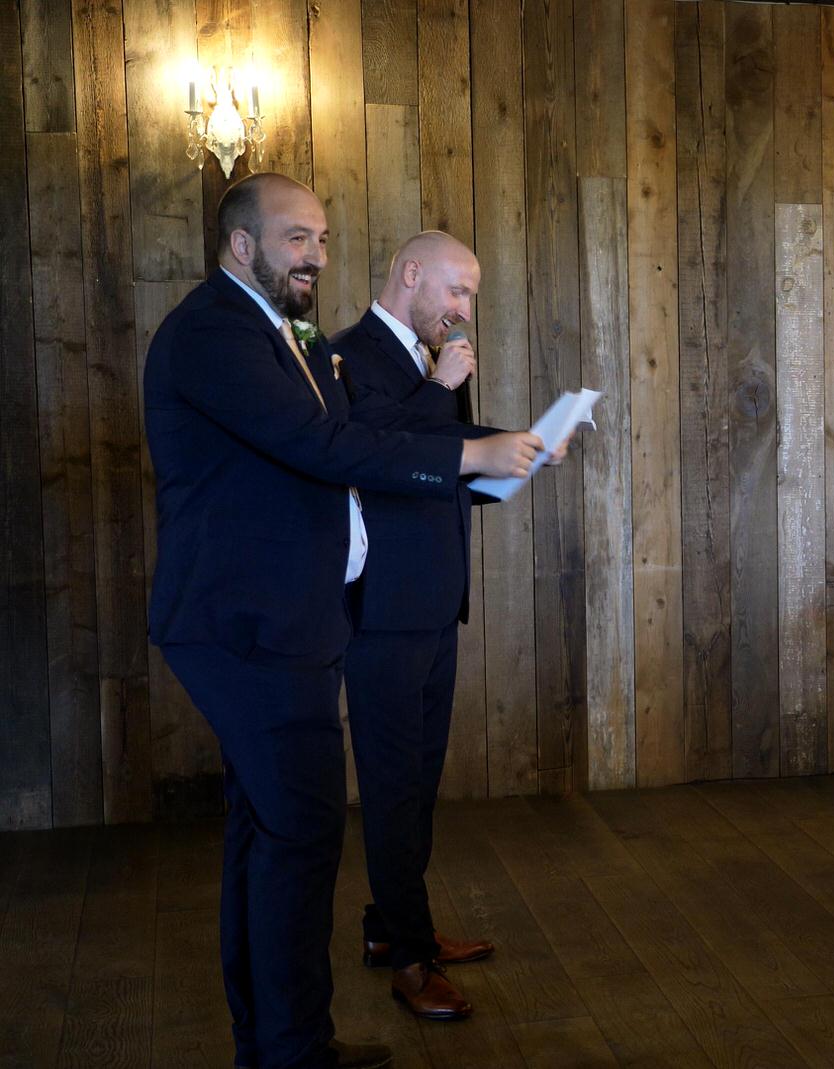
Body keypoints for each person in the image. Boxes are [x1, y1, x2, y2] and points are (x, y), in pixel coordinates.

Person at [144, 174, 542, 1069]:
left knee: (272, 831)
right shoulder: (214, 331)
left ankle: (280, 1042)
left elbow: (347, 437)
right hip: (248, 623)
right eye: (297, 240)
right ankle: (291, 1049)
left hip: (287, 619)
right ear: (241, 245)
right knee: (300, 834)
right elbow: (322, 447)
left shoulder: (288, 335)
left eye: (322, 239)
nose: (317, 256)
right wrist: (467, 447)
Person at [334, 232, 509, 1020]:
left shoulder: (440, 366)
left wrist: (513, 457)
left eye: (470, 297)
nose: (465, 311)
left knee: (420, 784)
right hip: (382, 613)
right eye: (457, 292)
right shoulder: (348, 356)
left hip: (438, 603)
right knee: (393, 785)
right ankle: (409, 957)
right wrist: (442, 388)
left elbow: (441, 467)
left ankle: (392, 928)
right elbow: (377, 458)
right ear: (411, 275)